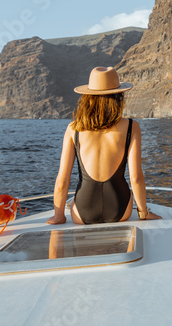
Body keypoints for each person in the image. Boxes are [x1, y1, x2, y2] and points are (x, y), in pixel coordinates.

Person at [47, 66, 160, 225]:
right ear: (119, 97)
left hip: (83, 213)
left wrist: (58, 216)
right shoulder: (131, 127)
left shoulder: (74, 129)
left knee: (72, 200)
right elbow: (136, 178)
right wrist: (143, 213)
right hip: (120, 211)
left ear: (88, 97)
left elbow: (62, 181)